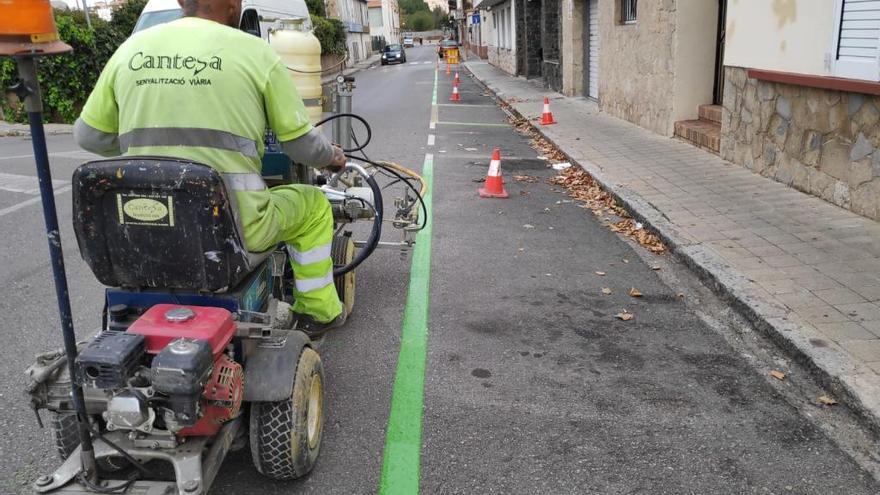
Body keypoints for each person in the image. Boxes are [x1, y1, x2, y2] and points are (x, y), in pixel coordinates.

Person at [74, 0, 348, 337]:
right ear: (235, 3)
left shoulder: (131, 49)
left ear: (179, 2)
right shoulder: (256, 53)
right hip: (235, 230)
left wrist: (145, 148)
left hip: (143, 232)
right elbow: (302, 146)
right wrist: (332, 155)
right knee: (314, 206)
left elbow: (88, 135)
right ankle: (318, 311)